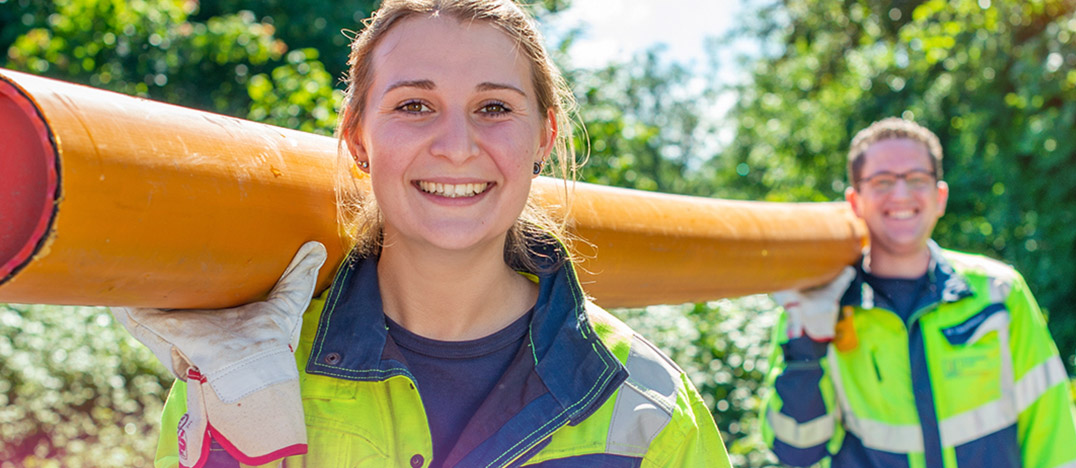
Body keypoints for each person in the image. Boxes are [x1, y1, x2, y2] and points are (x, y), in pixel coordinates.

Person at [110, 1, 729, 466]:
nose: (457, 148)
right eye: (414, 106)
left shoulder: (646, 405)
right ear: (357, 136)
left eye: (493, 108)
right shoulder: (249, 369)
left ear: (543, 135)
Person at [760, 118, 1076, 468]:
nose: (901, 195)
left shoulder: (998, 293)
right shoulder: (814, 305)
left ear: (940, 196)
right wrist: (806, 346)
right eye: (882, 181)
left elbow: (1052, 430)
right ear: (855, 201)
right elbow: (796, 452)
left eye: (917, 179)